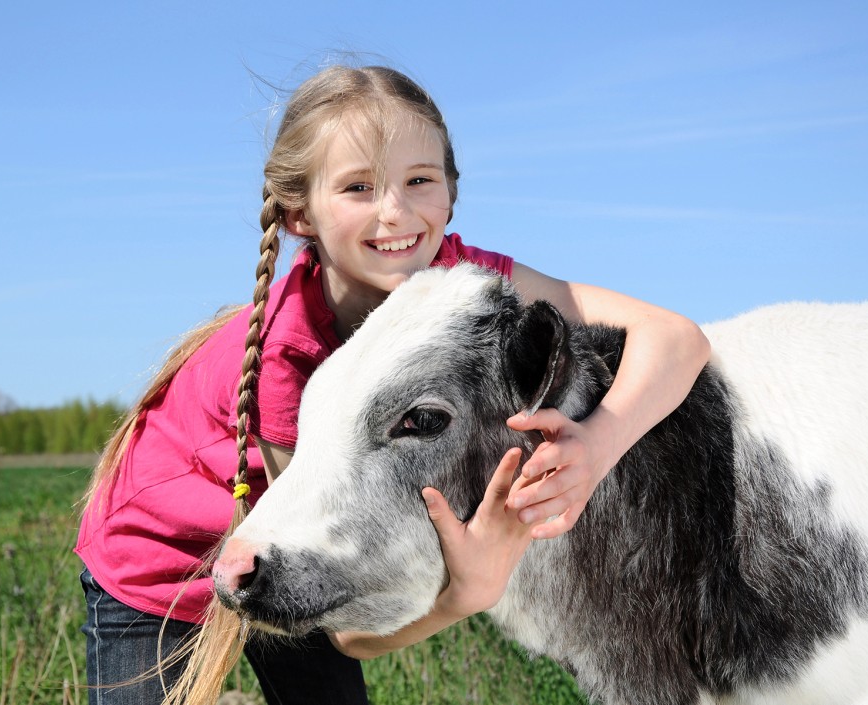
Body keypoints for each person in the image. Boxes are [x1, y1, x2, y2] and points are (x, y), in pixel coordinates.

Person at [75, 64, 710, 704]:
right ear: (299, 213)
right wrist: (470, 592)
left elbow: (676, 338)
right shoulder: (284, 357)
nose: (395, 212)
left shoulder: (464, 289)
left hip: (279, 542)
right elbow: (351, 632)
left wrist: (598, 446)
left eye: (419, 181)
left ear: (452, 193)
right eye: (357, 187)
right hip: (159, 564)